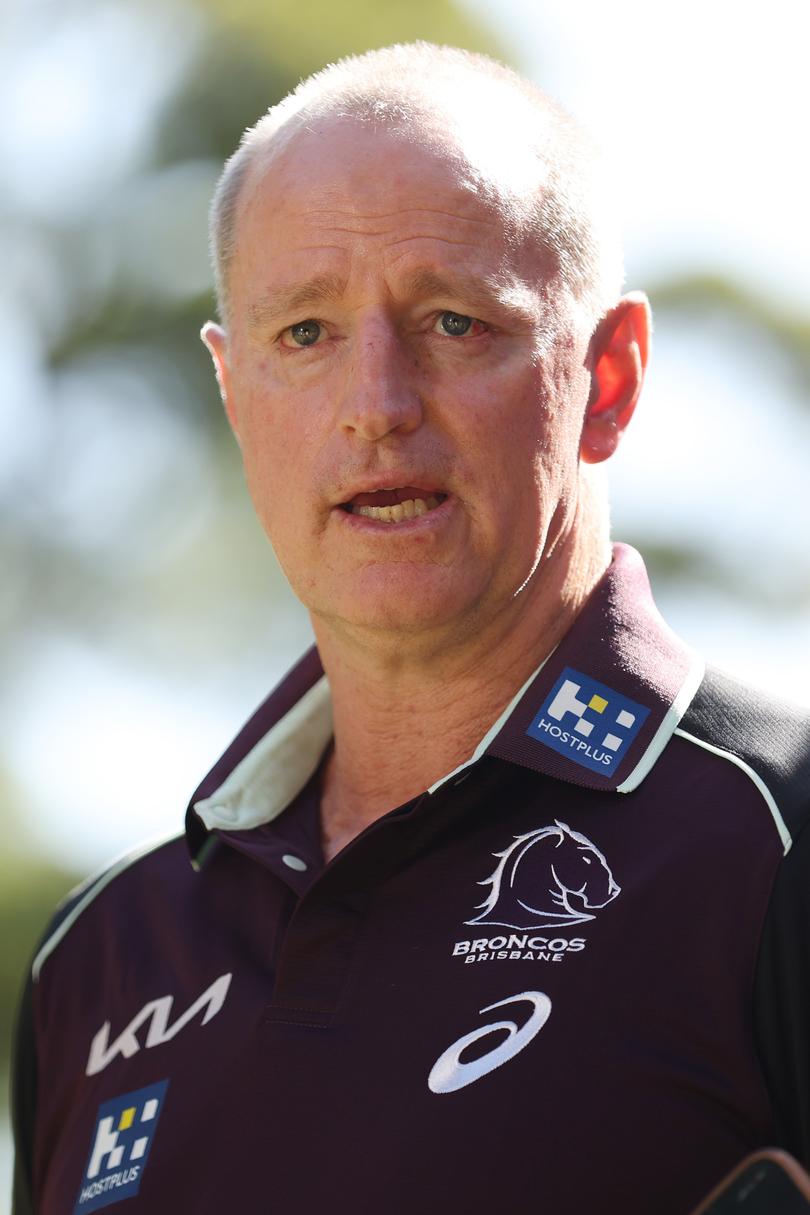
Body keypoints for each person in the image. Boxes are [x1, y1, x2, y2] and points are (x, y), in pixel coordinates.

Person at [11, 41, 810, 1215]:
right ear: (234, 398)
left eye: (452, 323)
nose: (377, 408)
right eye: (305, 335)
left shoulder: (776, 840)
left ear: (612, 378)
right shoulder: (98, 958)